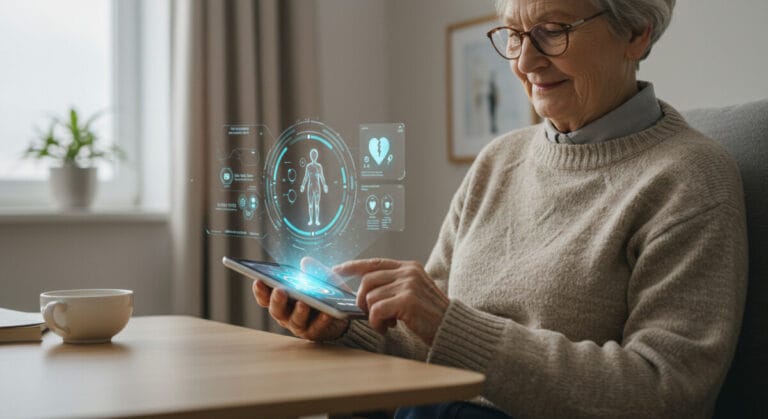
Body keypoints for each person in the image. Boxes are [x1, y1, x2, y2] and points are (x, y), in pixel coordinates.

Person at [253, 0, 748, 417]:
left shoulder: (690, 177)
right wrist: (346, 325)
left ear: (636, 33)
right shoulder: (499, 159)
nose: (526, 62)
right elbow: (429, 338)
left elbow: (666, 390)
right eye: (514, 35)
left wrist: (449, 325)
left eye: (552, 31)